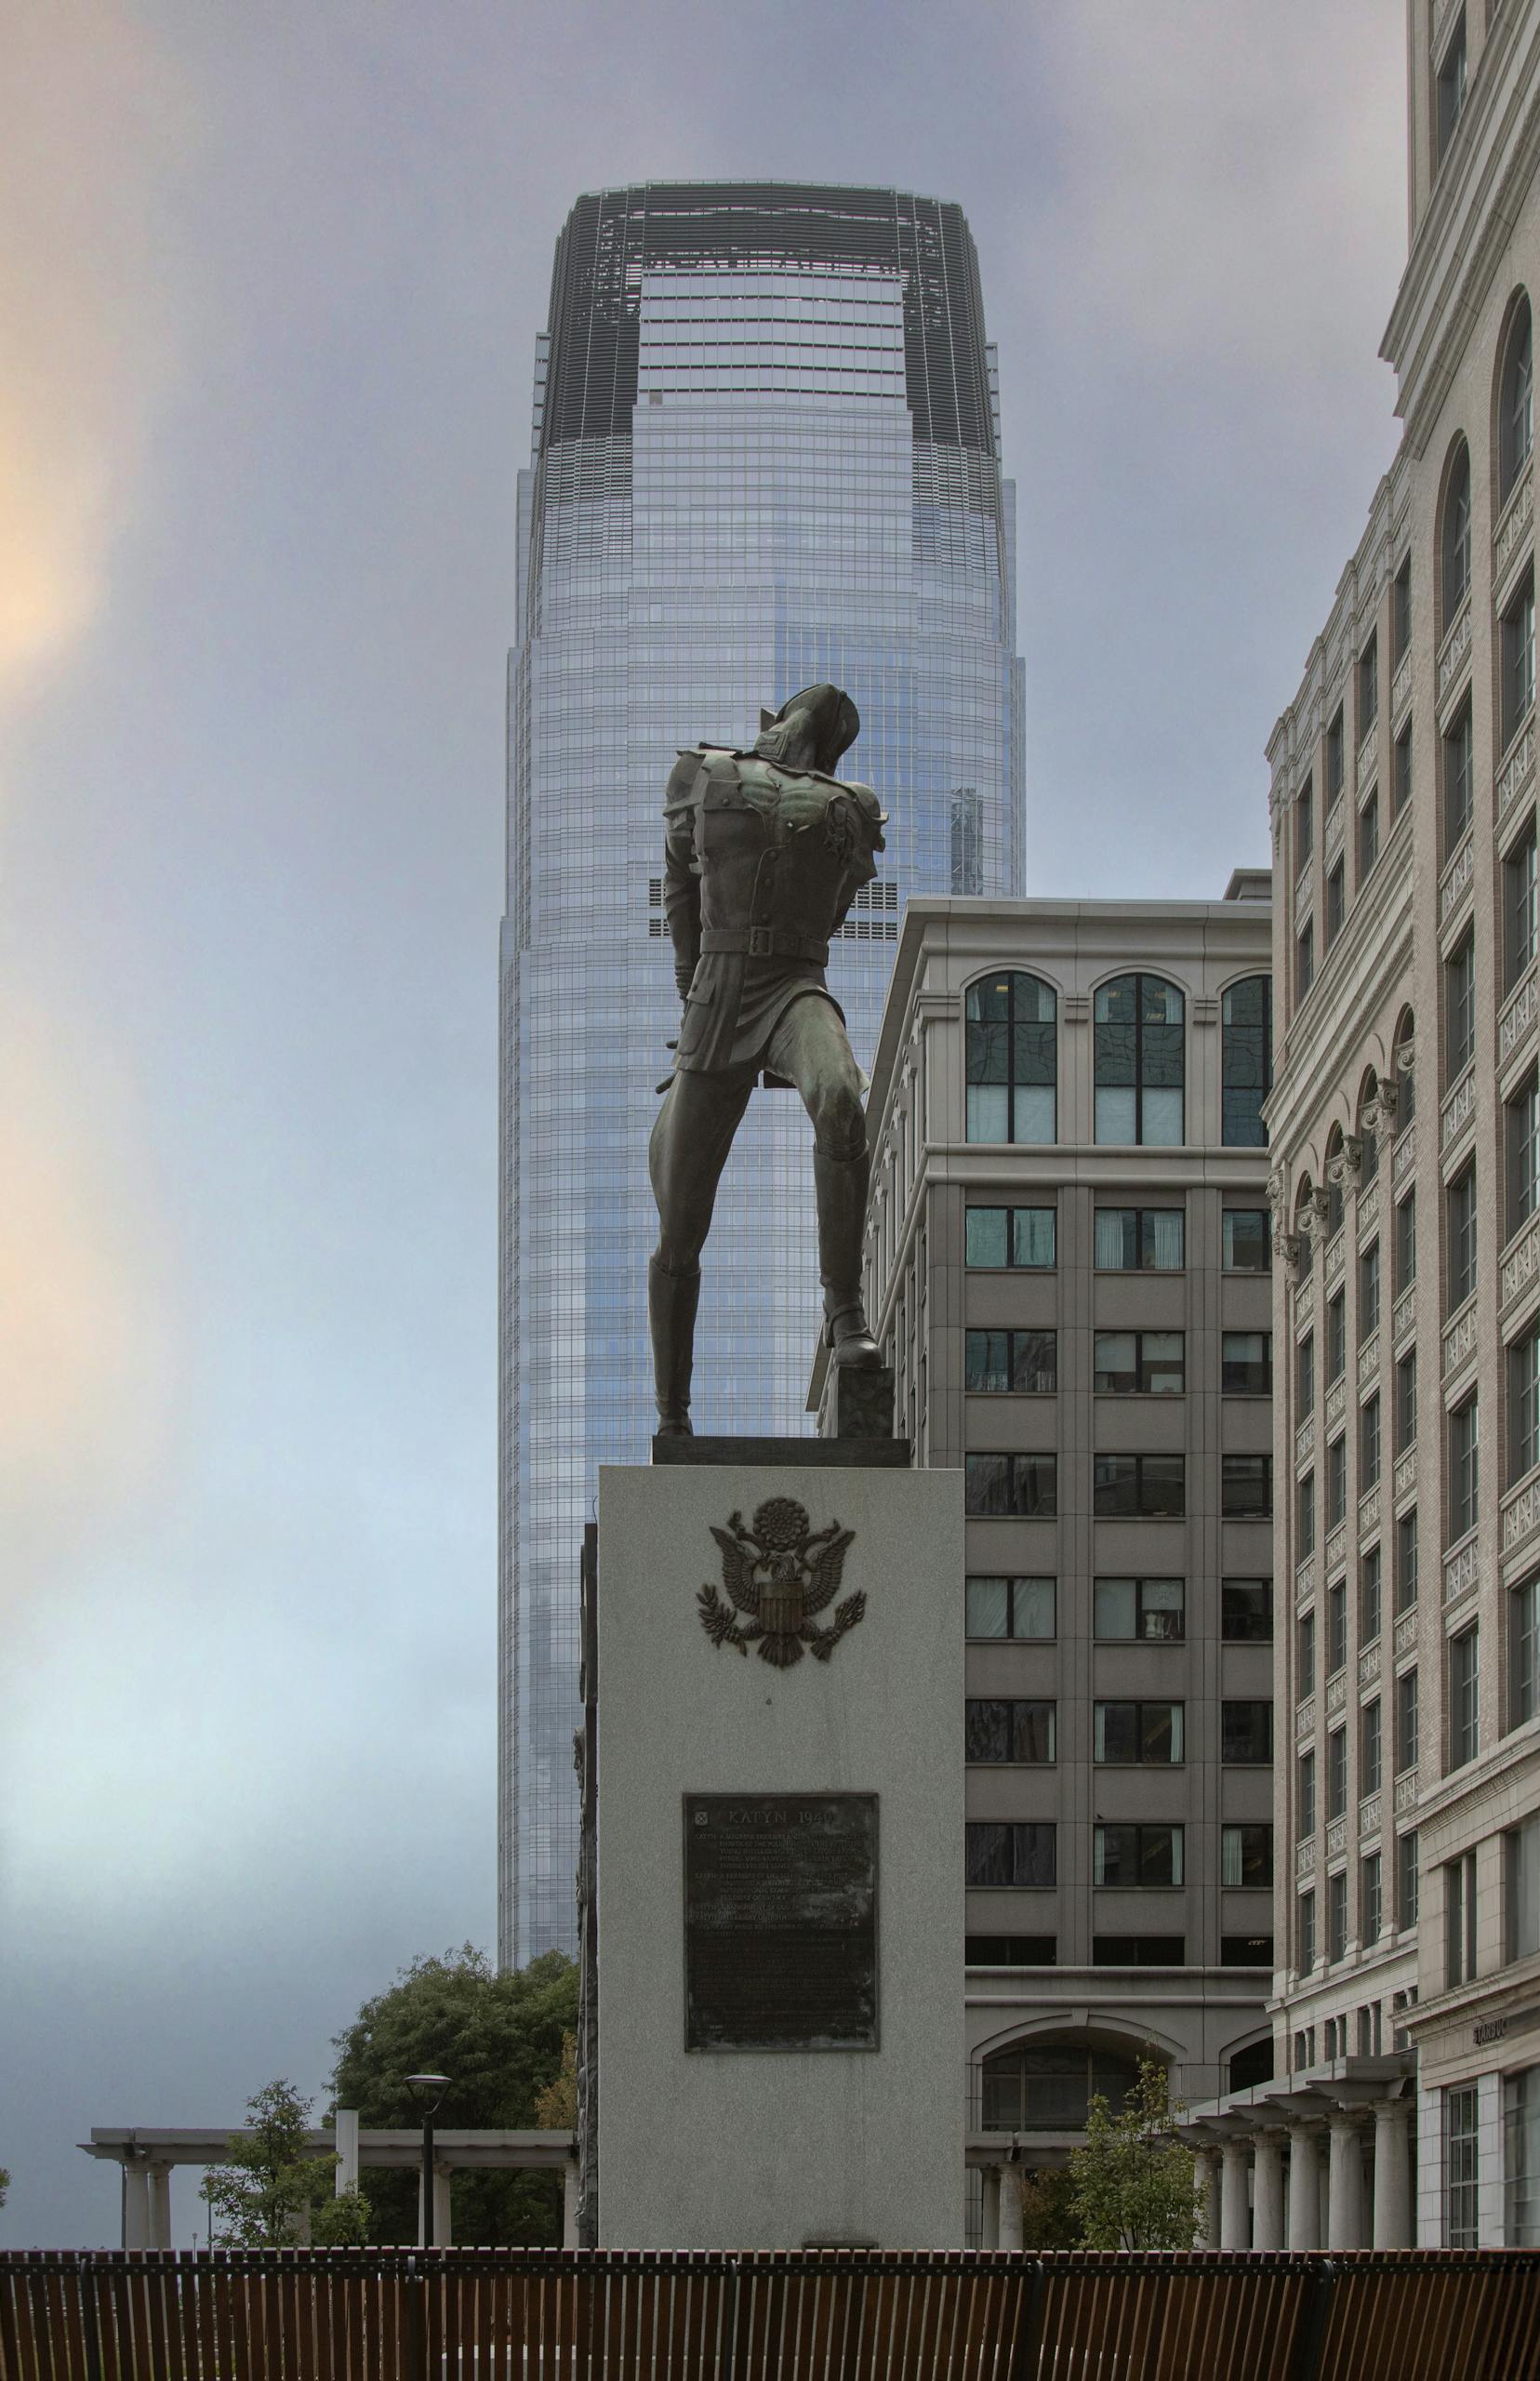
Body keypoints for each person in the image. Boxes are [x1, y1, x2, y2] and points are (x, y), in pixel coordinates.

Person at [648, 683, 886, 1436]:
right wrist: (691, 980)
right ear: (774, 719)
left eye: (826, 728)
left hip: (793, 984)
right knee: (681, 1224)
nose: (810, 728)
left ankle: (843, 1310)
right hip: (718, 994)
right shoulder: (702, 773)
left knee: (842, 1100)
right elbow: (680, 880)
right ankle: (672, 1410)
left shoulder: (850, 804)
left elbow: (835, 905)